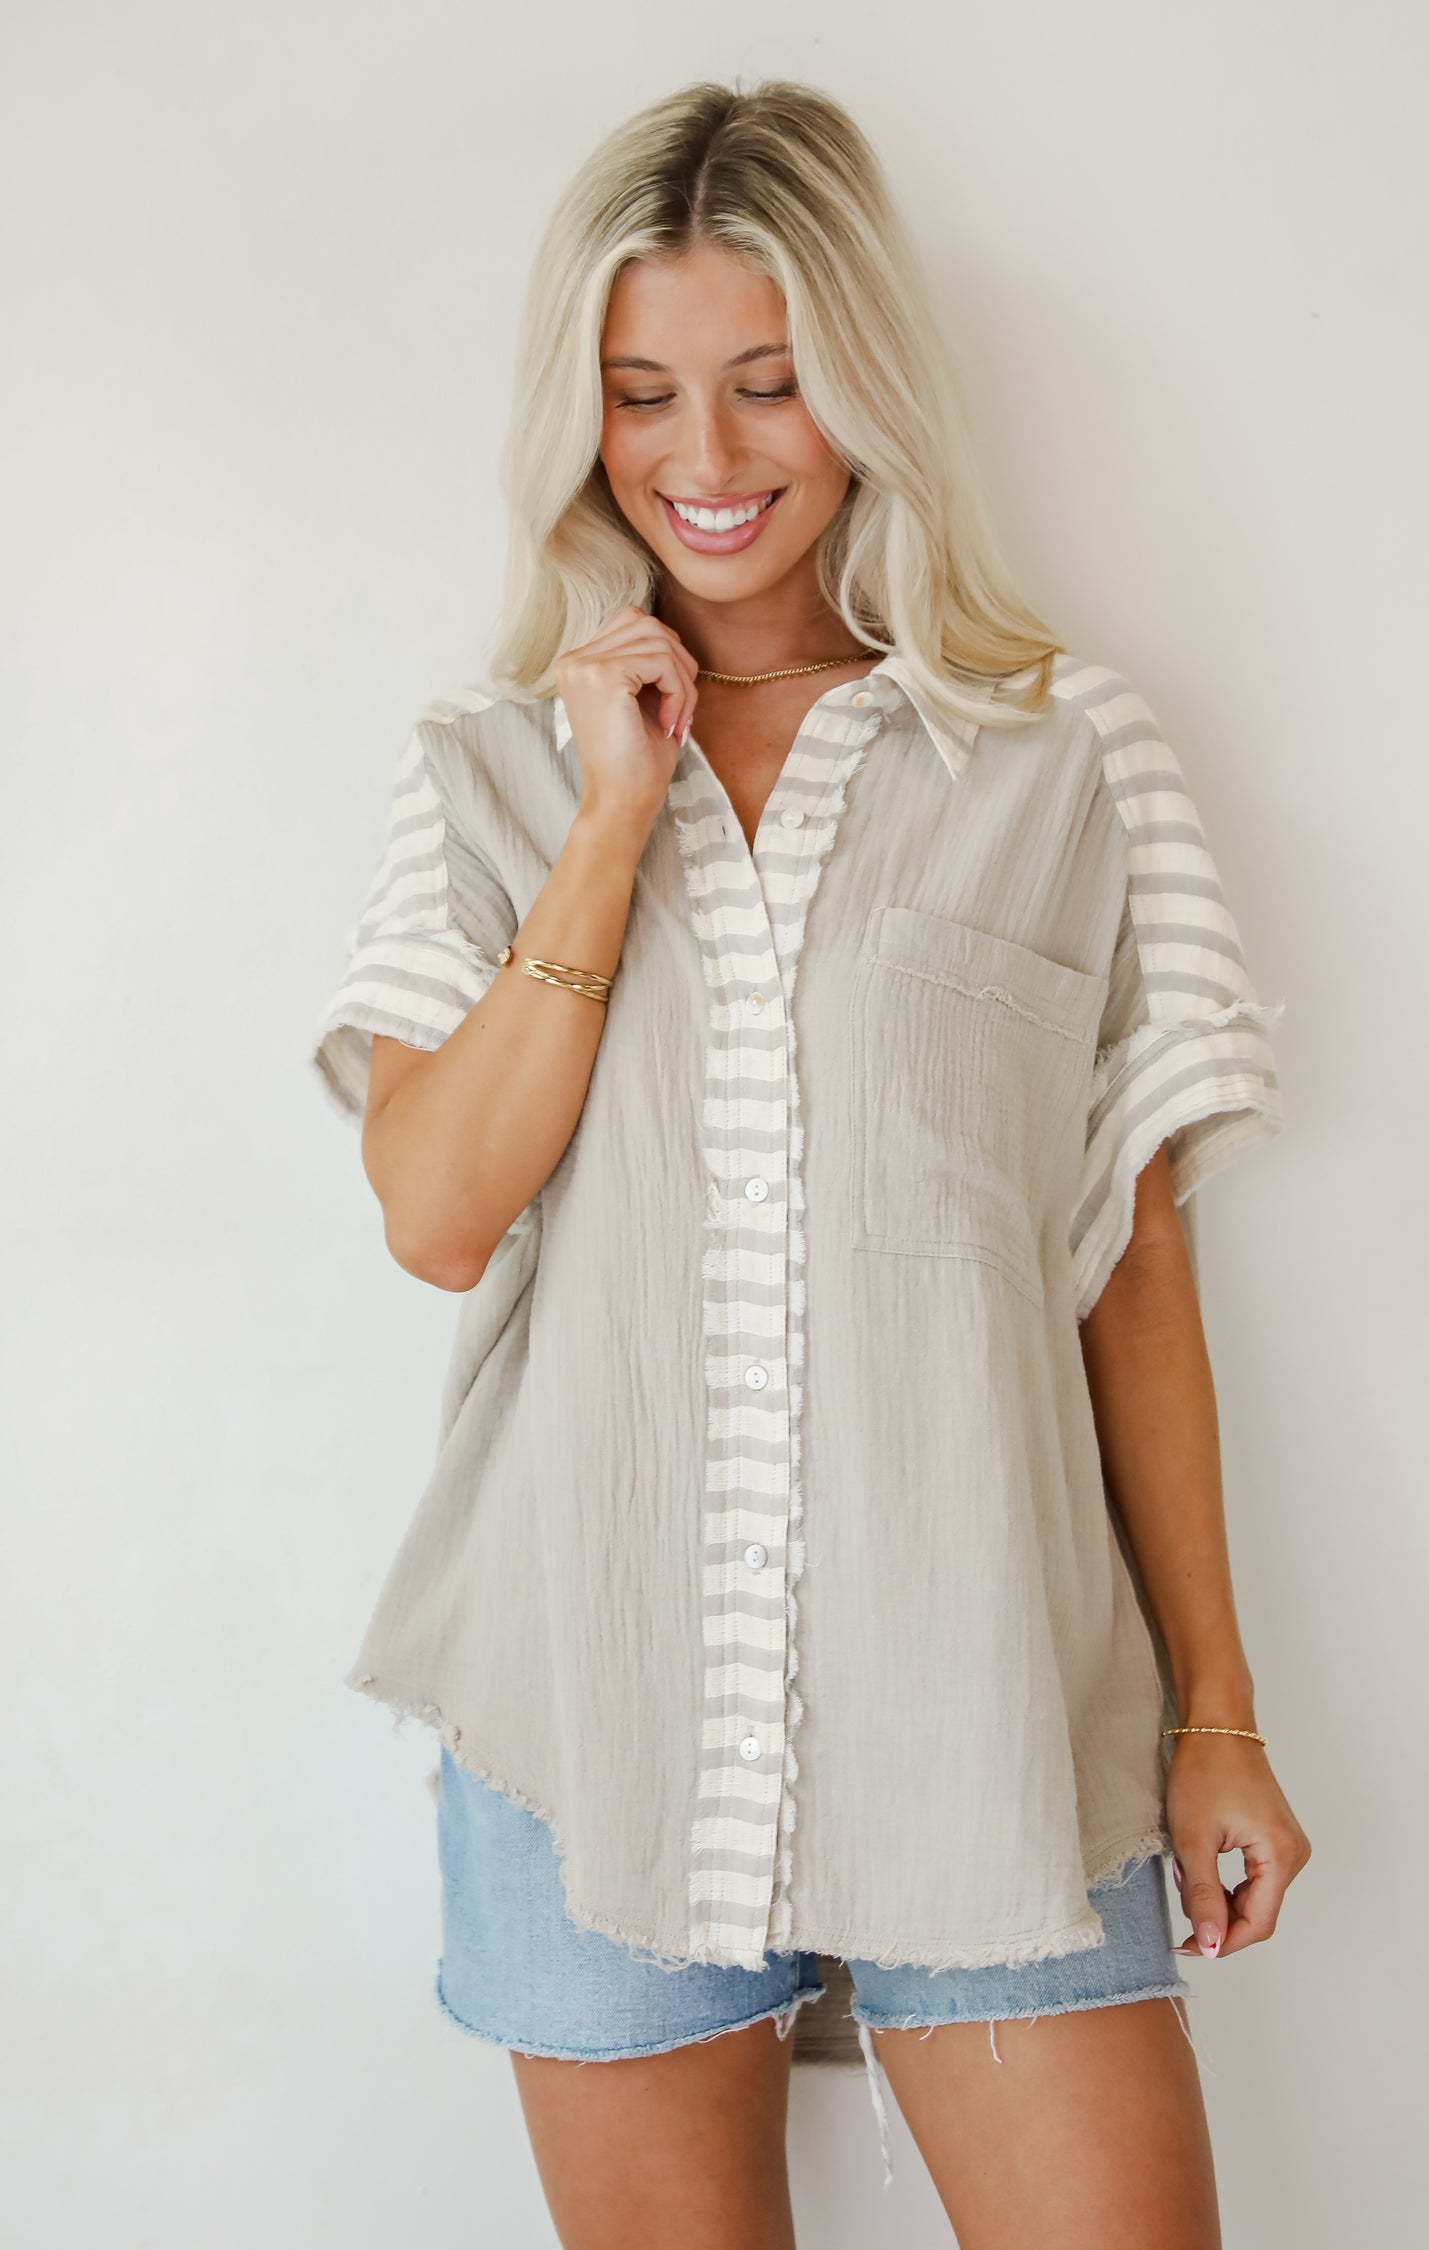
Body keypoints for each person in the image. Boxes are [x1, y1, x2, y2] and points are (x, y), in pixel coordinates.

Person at [310, 75, 1311, 2250]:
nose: (707, 452)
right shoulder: (487, 772)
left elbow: (1130, 1265)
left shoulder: (1063, 755)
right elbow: (437, 1211)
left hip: (993, 1702)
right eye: (643, 391)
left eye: (771, 382)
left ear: (867, 385)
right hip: (586, 1712)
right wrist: (610, 820)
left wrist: (1219, 1717)